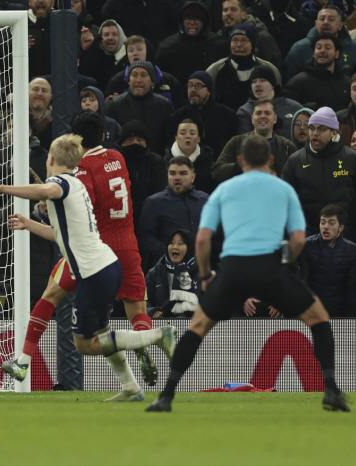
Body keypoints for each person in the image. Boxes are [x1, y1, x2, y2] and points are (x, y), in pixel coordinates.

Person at [146, 135, 349, 412]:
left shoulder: (224, 190)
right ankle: (331, 391)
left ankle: (166, 395)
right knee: (319, 319)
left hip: (233, 269)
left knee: (197, 328)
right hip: (272, 267)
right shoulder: (283, 189)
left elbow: (203, 239)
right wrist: (285, 267)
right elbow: (299, 240)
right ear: (271, 160)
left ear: (240, 161)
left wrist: (205, 276)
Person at [0, 132, 177, 401]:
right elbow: (61, 234)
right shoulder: (78, 185)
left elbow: (47, 189)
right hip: (107, 265)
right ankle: (130, 387)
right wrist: (29, 223)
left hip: (94, 273)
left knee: (84, 344)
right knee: (102, 332)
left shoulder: (61, 182)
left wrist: (0, 188)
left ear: (52, 159)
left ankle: (157, 336)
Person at [281, 107, 356, 239]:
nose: (315, 133)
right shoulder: (295, 161)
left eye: (321, 129)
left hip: (347, 238)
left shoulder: (351, 158)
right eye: (312, 128)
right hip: (309, 239)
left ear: (334, 132)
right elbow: (287, 202)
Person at [138, 156, 209, 272]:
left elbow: (215, 234)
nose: (177, 178)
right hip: (165, 270)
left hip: (200, 269)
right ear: (167, 176)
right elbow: (145, 237)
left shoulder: (206, 201)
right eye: (172, 173)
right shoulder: (154, 202)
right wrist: (171, 253)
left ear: (193, 177)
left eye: (183, 173)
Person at [215, 98, 297, 182]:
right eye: (258, 113)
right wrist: (241, 164)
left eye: (267, 113)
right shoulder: (236, 142)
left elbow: (297, 176)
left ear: (275, 119)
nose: (262, 116)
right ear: (252, 119)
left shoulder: (287, 147)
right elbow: (217, 172)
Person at [205, 24, 282, 111]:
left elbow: (278, 101)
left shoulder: (269, 69)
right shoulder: (215, 70)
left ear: (252, 44)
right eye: (235, 40)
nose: (238, 45)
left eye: (244, 40)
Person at [299, 205, 356, 317]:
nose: (325, 227)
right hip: (312, 311)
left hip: (341, 312)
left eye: (331, 223)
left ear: (341, 228)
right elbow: (303, 282)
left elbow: (351, 288)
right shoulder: (306, 246)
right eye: (323, 222)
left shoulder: (352, 250)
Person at [106, 60, 174, 154]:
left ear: (152, 81)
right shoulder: (114, 105)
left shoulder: (165, 105)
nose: (138, 80)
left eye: (143, 75)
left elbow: (169, 141)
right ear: (128, 80)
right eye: (134, 75)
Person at [165, 71, 239, 157]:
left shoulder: (227, 115)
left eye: (199, 86)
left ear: (209, 91)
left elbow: (234, 148)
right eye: (190, 85)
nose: (193, 89)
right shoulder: (176, 117)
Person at [155, 2, 228, 85]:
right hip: (176, 96)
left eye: (197, 19)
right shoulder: (166, 47)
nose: (192, 22)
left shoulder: (220, 45)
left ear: (204, 22)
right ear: (182, 21)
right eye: (188, 19)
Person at [112, 120, 167, 228]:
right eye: (130, 139)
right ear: (122, 142)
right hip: (119, 221)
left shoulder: (156, 161)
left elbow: (161, 193)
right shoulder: (113, 161)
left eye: (139, 139)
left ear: (146, 143)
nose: (135, 143)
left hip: (150, 221)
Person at [284, 5, 356, 81]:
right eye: (322, 19)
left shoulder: (354, 48)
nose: (325, 22)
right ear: (316, 23)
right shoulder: (300, 48)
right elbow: (288, 83)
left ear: (340, 25)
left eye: (331, 19)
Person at [284, 32, 351, 112]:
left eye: (328, 48)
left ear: (337, 54)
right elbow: (288, 111)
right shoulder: (298, 82)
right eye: (318, 48)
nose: (322, 51)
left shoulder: (347, 83)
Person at [236, 65, 303, 140]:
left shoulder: (293, 106)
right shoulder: (245, 111)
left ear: (272, 85)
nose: (257, 84)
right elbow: (243, 142)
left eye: (262, 80)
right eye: (254, 82)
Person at [146, 229, 200, 319]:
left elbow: (211, 304)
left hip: (194, 325)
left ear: (190, 247)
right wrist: (153, 311)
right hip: (162, 326)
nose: (175, 247)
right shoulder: (154, 273)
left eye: (180, 243)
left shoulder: (200, 272)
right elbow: (143, 303)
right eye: (172, 243)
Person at [217, 0, 283, 69]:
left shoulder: (261, 36)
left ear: (244, 15)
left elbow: (275, 67)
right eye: (225, 10)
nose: (228, 13)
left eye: (233, 10)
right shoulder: (218, 37)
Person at [164, 119, 216, 194]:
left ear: (198, 138)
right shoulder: (164, 163)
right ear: (176, 138)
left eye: (192, 133)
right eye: (182, 133)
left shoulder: (210, 164)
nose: (188, 136)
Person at [78, 19, 127, 91]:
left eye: (114, 34)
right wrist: (85, 50)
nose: (110, 37)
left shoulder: (129, 57)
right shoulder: (95, 57)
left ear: (121, 37)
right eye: (106, 35)